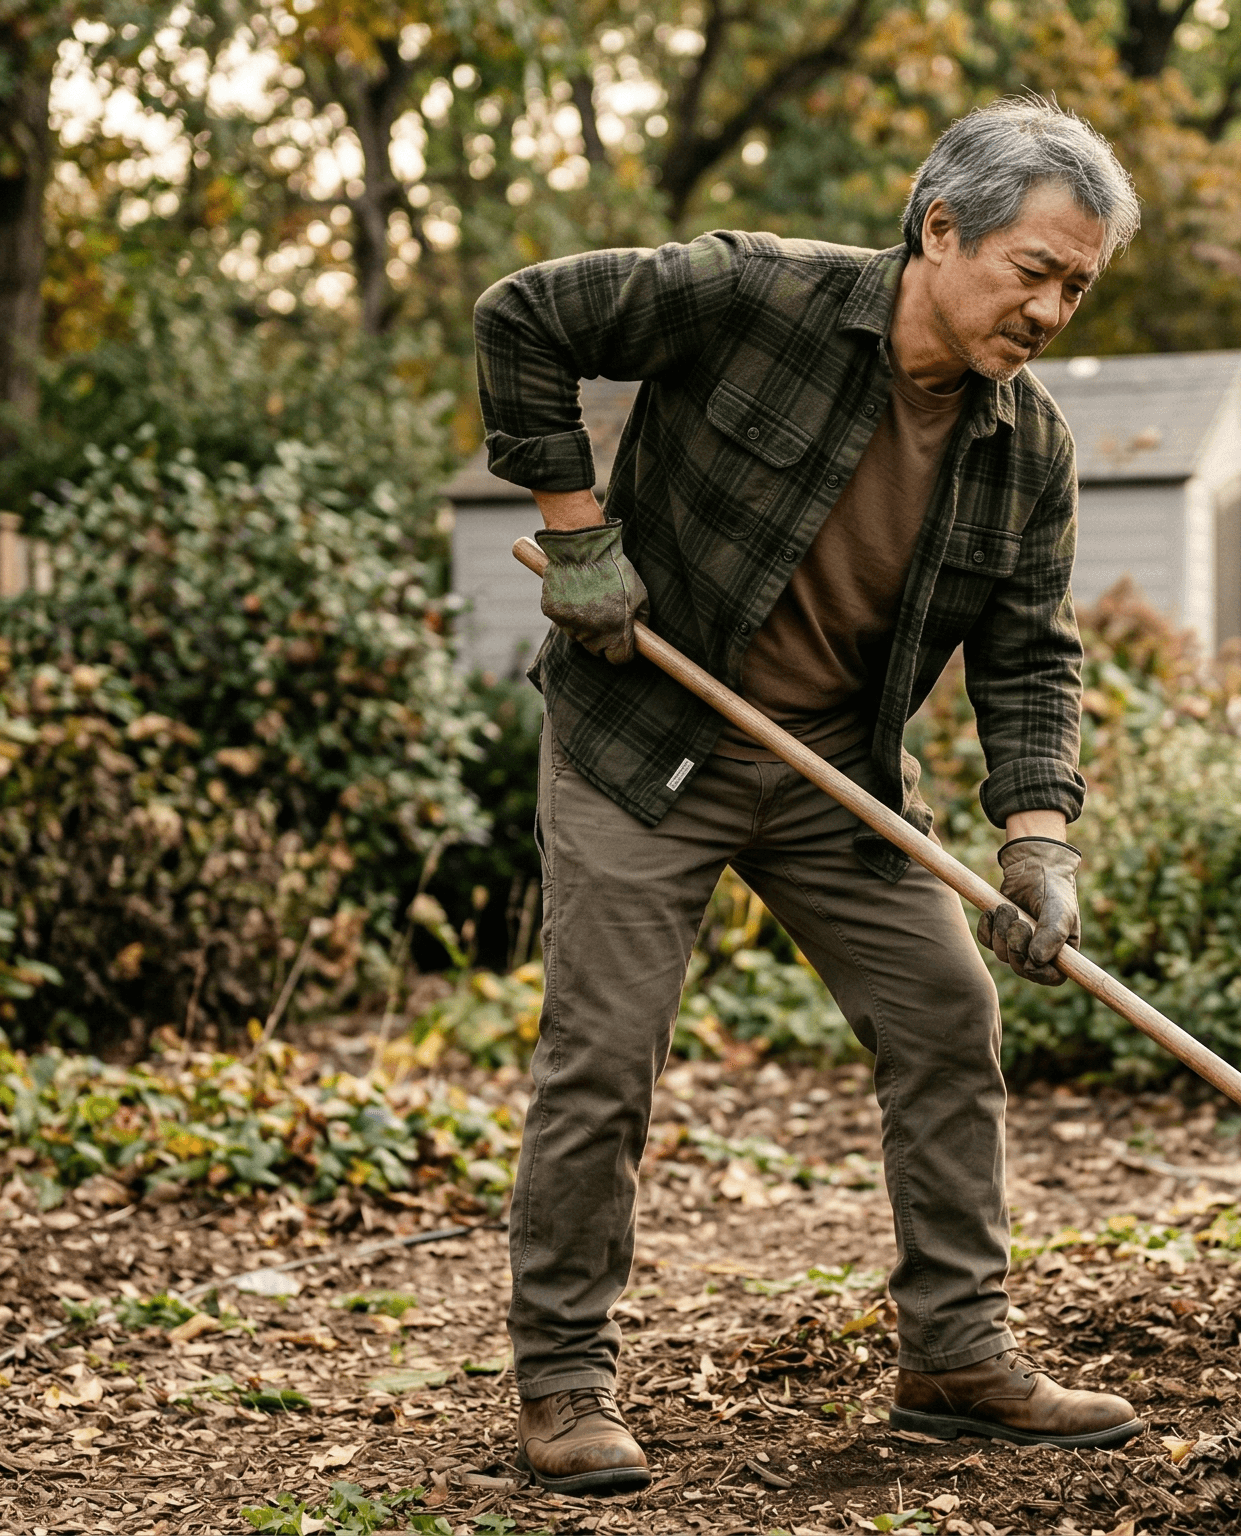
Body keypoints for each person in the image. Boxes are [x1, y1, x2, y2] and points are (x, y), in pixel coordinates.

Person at [471, 96, 1143, 1497]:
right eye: (1034, 271)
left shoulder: (1027, 449)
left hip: (836, 771)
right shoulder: (756, 294)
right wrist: (576, 534)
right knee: (606, 1055)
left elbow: (1030, 652)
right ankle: (564, 1379)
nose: (1050, 311)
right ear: (941, 227)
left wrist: (1038, 842)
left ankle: (956, 1356)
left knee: (947, 1015)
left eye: (1076, 288)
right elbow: (523, 316)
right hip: (648, 738)